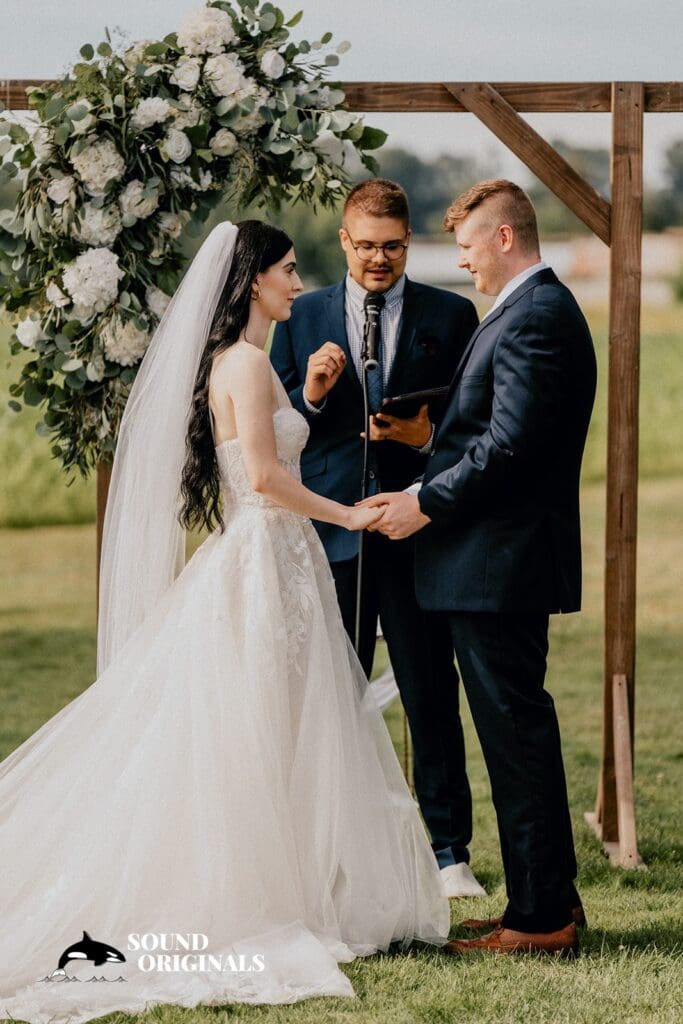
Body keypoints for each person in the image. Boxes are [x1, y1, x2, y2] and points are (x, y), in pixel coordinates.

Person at [0, 220, 450, 1023]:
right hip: (264, 555)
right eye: (287, 269)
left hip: (278, 556)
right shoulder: (240, 362)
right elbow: (266, 478)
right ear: (252, 281)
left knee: (285, 720)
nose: (297, 282)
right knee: (257, 722)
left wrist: (310, 402)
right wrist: (348, 515)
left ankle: (296, 884)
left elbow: (266, 450)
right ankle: (253, 894)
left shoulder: (246, 361)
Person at [359, 180, 596, 957]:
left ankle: (540, 920)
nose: (461, 263)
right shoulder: (529, 311)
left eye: (466, 248)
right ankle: (544, 900)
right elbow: (491, 432)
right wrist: (430, 443)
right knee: (514, 734)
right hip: (495, 561)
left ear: (503, 238)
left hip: (499, 564)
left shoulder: (535, 317)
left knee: (515, 736)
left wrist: (423, 501)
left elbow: (511, 446)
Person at [271, 179, 485, 899]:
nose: (378, 259)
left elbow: (472, 426)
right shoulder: (300, 315)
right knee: (330, 694)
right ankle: (327, 851)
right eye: (365, 246)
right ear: (343, 240)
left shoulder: (451, 315)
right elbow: (273, 424)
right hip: (330, 534)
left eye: (392, 246)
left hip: (417, 534)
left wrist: (424, 439)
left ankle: (448, 854)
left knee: (431, 692)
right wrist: (312, 394)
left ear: (408, 241)